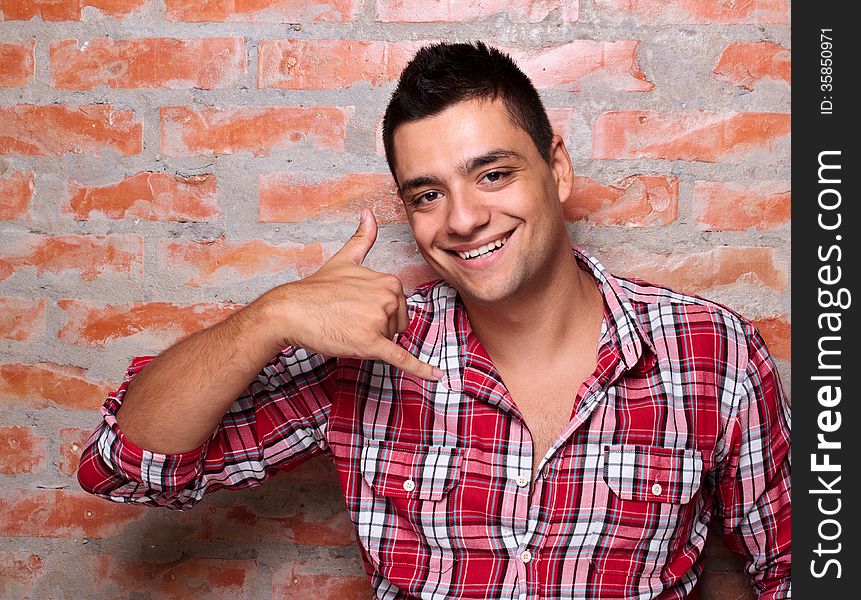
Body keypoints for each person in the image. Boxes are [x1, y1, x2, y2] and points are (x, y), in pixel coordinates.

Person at [77, 42, 791, 599]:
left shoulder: (709, 352)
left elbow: (798, 563)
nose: (462, 219)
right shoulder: (367, 354)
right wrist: (268, 317)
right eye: (426, 193)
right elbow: (127, 469)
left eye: (492, 175)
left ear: (557, 171)